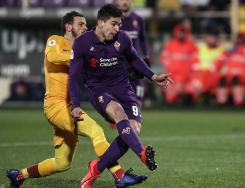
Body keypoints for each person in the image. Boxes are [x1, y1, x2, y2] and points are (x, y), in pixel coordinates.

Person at [6, 11, 146, 188]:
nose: (85, 27)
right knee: (96, 132)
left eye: (86, 24)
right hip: (55, 106)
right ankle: (120, 176)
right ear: (68, 26)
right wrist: (77, 56)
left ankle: (18, 175)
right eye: (81, 24)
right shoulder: (56, 40)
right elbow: (52, 56)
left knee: (62, 163)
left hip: (70, 107)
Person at [68, 4, 173, 187]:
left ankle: (95, 168)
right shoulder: (83, 43)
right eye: (114, 24)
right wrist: (75, 104)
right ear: (101, 22)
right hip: (99, 90)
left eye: (119, 24)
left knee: (132, 131)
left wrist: (153, 76)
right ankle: (142, 154)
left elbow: (134, 59)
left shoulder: (123, 39)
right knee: (118, 113)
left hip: (124, 88)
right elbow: (74, 77)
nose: (118, 28)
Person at [115, 0, 151, 107]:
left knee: (138, 88)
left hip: (134, 59)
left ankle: (137, 109)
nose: (124, 2)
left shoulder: (138, 19)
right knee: (117, 95)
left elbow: (143, 38)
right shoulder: (114, 20)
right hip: (119, 61)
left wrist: (146, 54)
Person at [160, 21, 198, 104]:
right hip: (172, 77)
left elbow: (195, 62)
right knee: (170, 99)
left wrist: (191, 76)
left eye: (183, 32)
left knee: (190, 95)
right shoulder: (170, 45)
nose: (181, 34)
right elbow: (164, 60)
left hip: (187, 78)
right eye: (180, 32)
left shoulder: (191, 45)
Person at [215, 32, 245, 106]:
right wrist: (216, 67)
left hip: (242, 74)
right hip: (229, 73)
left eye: (241, 38)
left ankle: (239, 102)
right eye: (239, 38)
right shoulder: (231, 49)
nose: (240, 40)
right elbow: (220, 59)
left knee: (236, 80)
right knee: (221, 80)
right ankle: (222, 103)